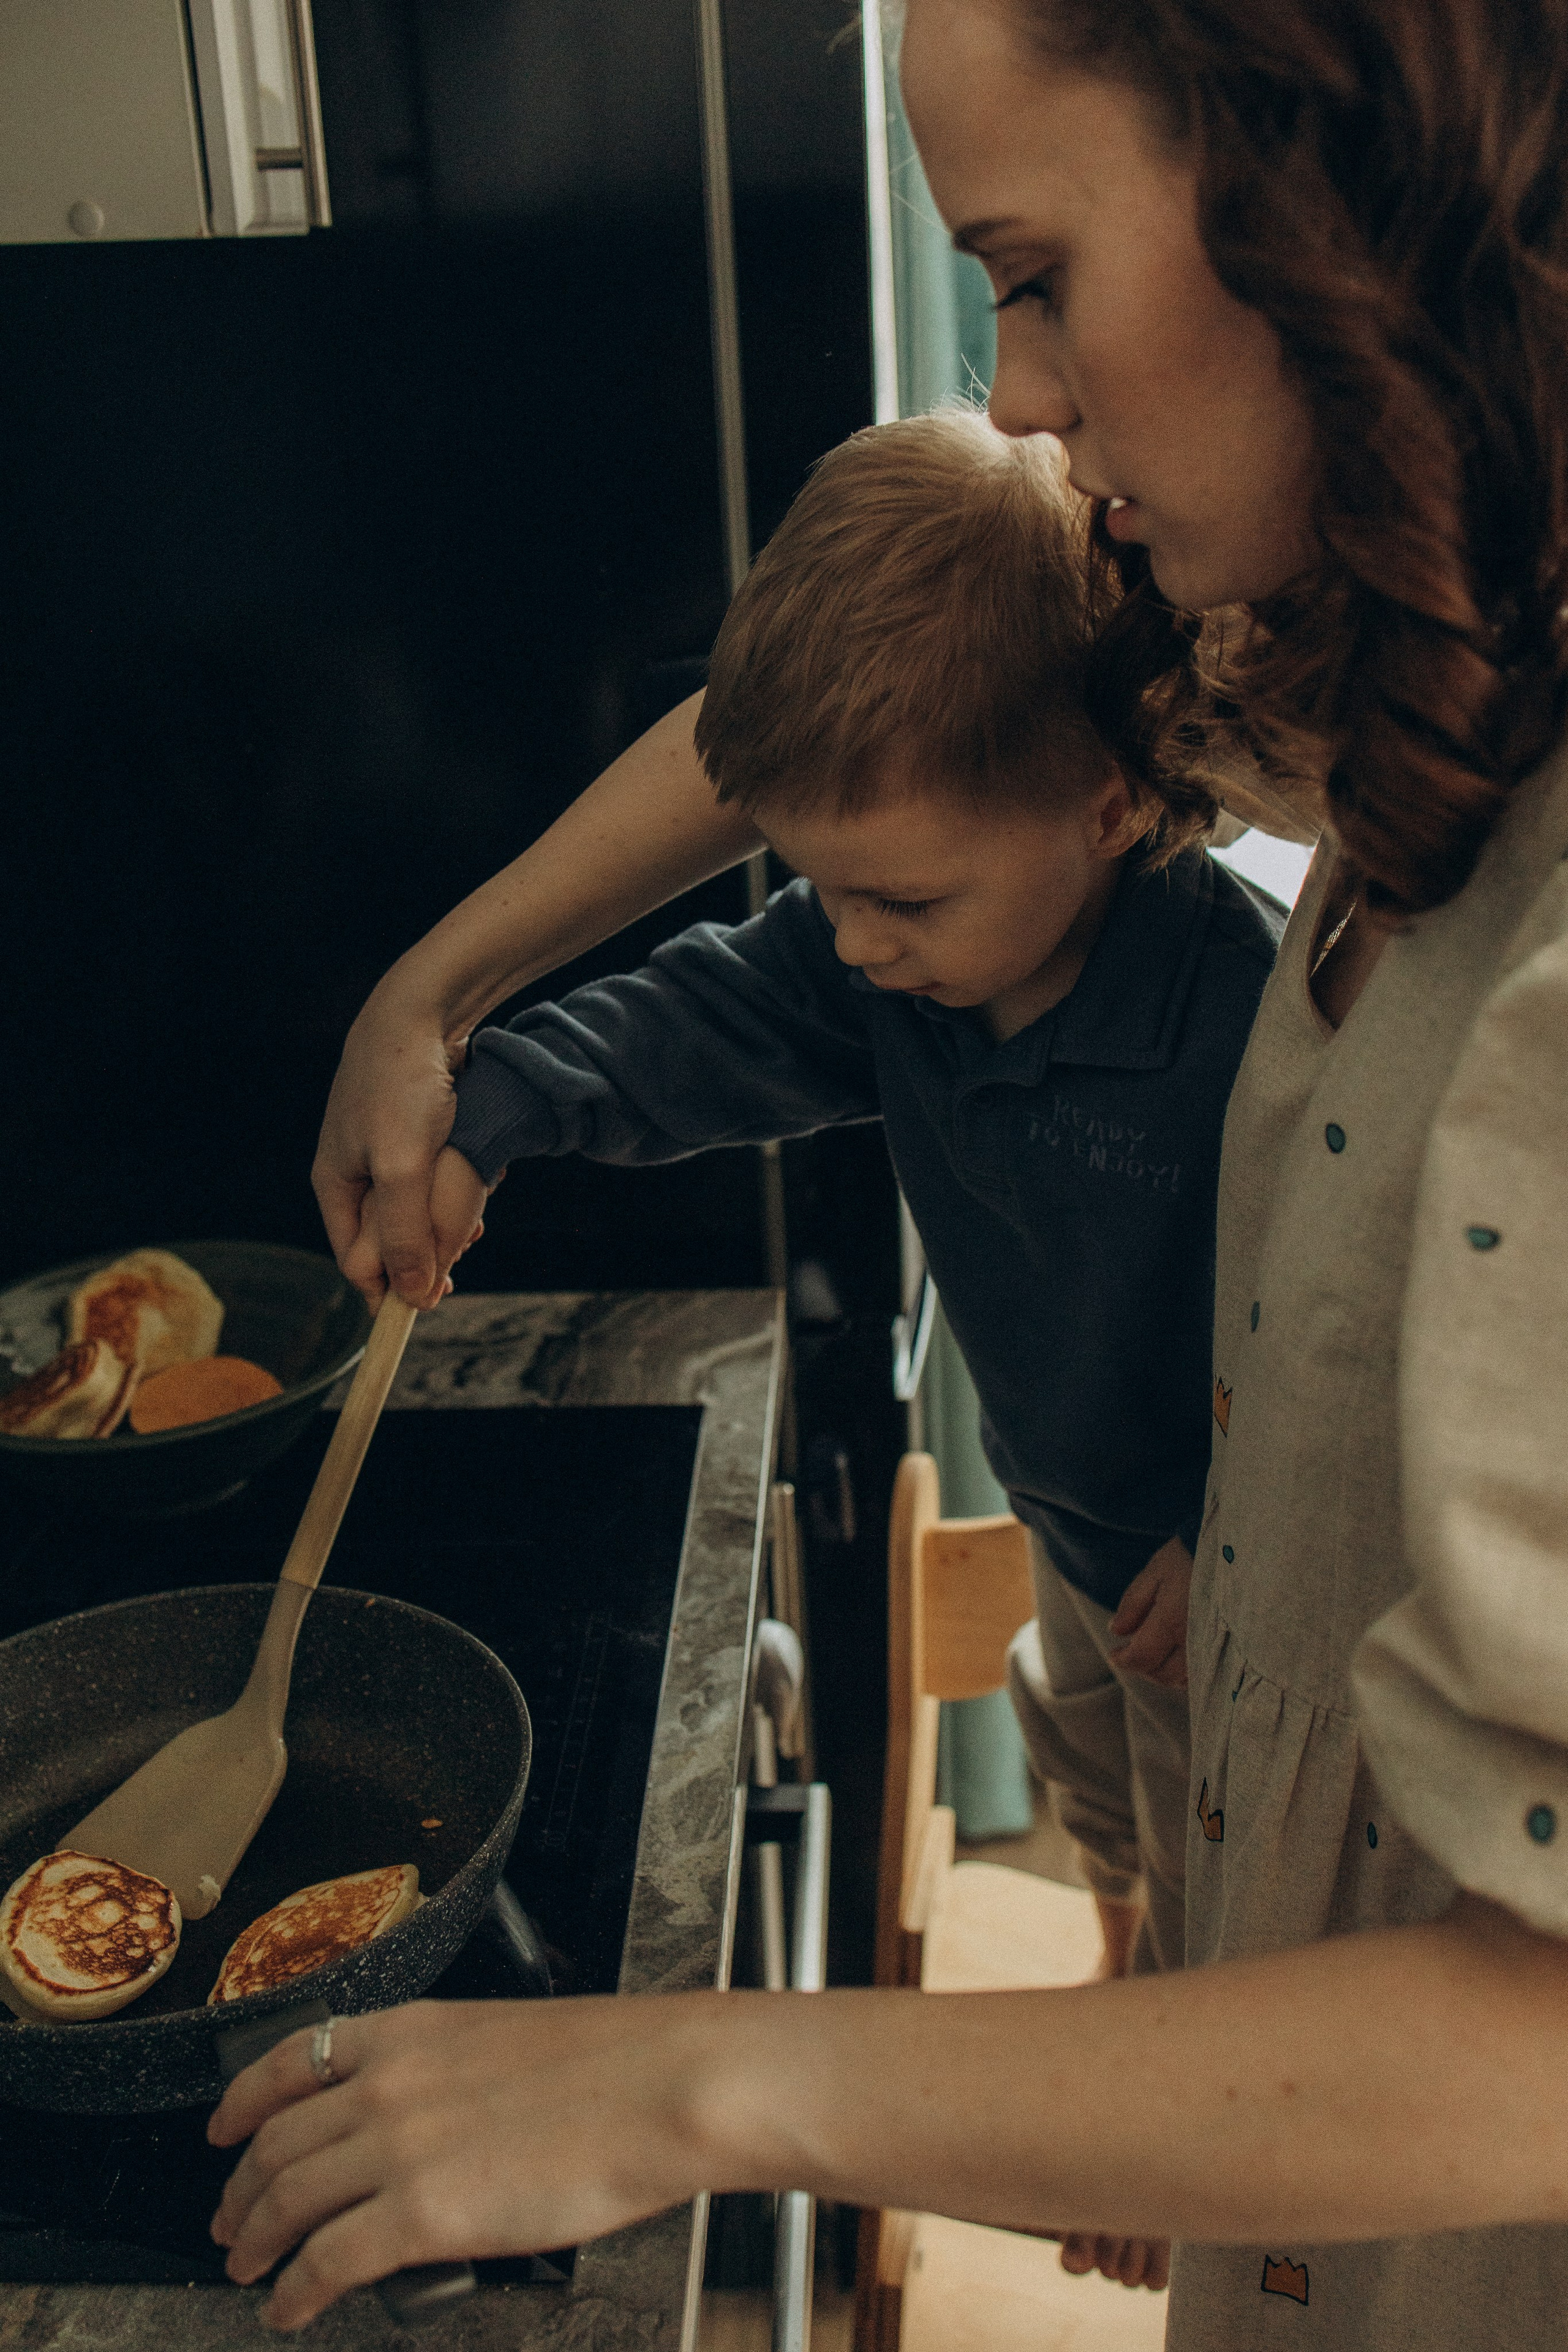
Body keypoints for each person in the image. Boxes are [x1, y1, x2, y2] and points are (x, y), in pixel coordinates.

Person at [211, 1, 1568, 2344]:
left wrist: (693, 2081)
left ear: (1322, 218)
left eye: (1032, 273)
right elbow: (854, 732)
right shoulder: (1389, 666)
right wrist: (432, 1001)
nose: (1017, 394)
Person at [425, 411, 1281, 2056]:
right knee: (1083, 1760)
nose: (859, 946)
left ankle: (1163, 2036)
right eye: (826, 893)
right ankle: (1128, 1953)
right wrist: (501, 1100)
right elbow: (703, 1020)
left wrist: (1236, 1535)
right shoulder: (887, 955)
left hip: (1210, 1577)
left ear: (1107, 803)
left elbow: (1347, 1331)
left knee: (1212, 1873)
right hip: (1072, 1530)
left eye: (904, 900)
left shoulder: (1248, 1024)